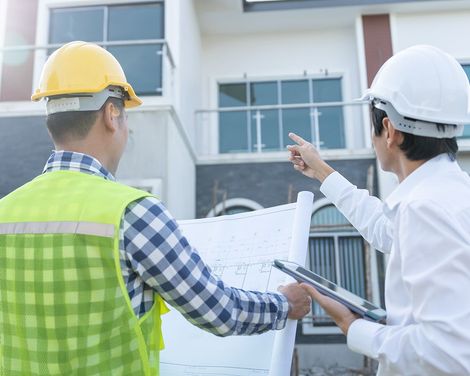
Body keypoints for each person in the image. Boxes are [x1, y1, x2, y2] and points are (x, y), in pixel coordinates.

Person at [0, 41, 311, 375]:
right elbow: (218, 310)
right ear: (111, 114)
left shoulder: (5, 212)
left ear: (51, 121)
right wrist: (285, 304)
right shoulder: (133, 213)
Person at [288, 45, 470, 375]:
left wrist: (357, 329)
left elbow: (450, 352)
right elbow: (384, 230)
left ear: (389, 130)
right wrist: (322, 172)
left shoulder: (424, 209)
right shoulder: (452, 194)